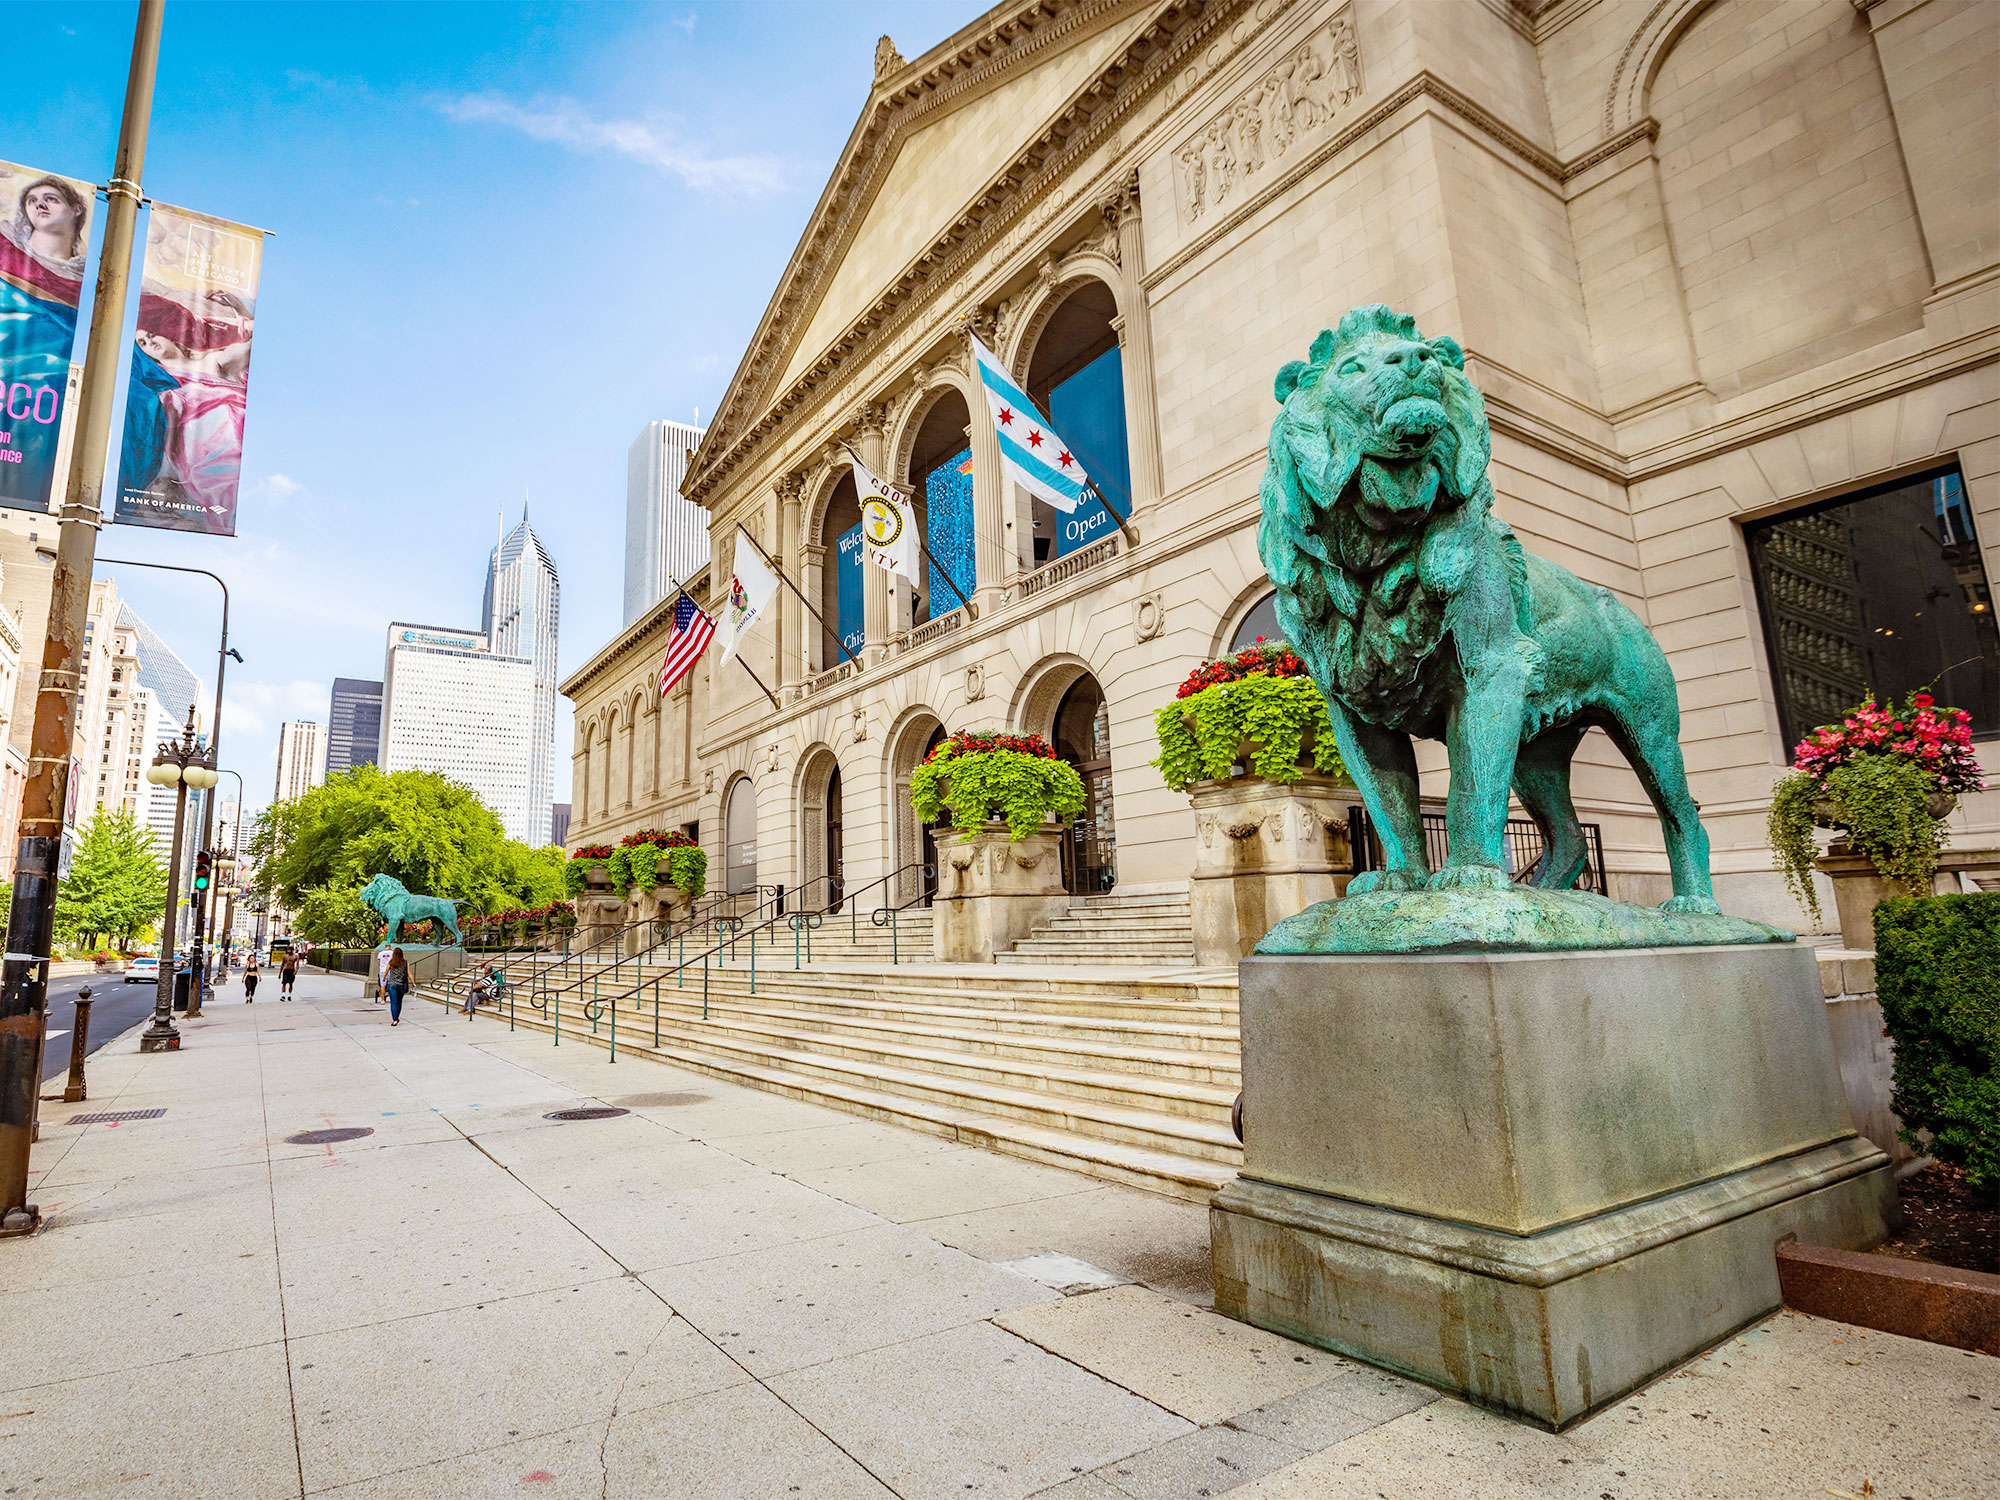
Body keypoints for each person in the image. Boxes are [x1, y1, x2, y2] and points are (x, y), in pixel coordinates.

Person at [383, 948, 410, 1027]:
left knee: (393, 1002)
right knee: (399, 1002)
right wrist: (413, 982)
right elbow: (409, 973)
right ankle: (397, 1017)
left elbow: (386, 972)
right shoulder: (405, 962)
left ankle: (395, 1019)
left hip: (392, 984)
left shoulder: (391, 962)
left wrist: (384, 978)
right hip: (401, 985)